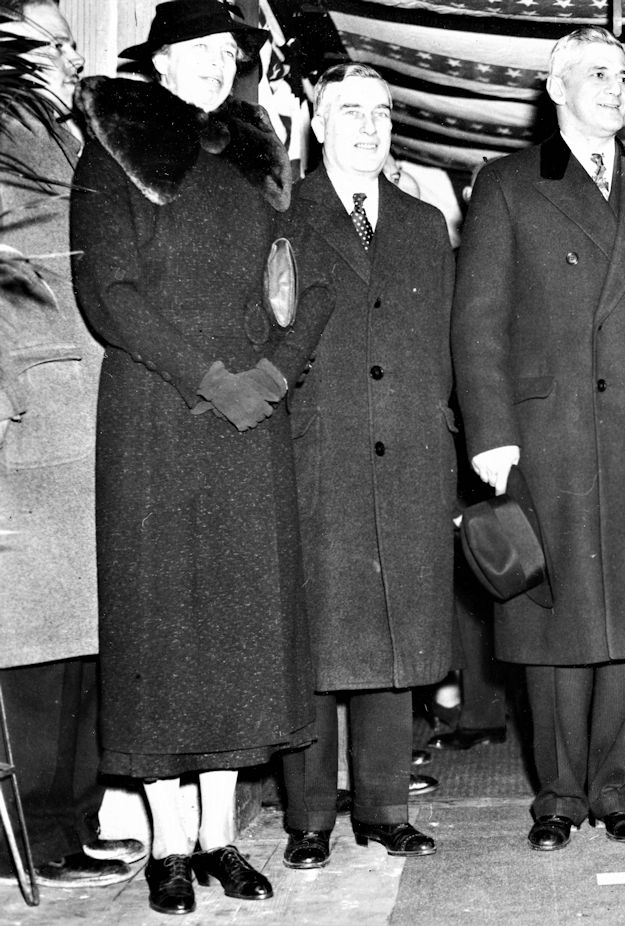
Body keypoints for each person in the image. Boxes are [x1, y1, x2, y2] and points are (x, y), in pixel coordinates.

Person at [70, 0, 332, 915]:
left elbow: (303, 284)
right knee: (165, 631)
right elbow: (108, 292)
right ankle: (168, 848)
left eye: (232, 52)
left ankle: (220, 839)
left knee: (237, 629)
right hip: (158, 416)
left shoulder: (260, 161)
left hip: (249, 418)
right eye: (200, 50)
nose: (219, 65)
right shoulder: (115, 149)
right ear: (163, 61)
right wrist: (208, 377)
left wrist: (271, 374)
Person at [452, 26, 625, 852]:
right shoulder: (509, 184)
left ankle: (618, 789)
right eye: (594, 72)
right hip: (544, 432)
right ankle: (557, 793)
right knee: (553, 620)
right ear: (554, 89)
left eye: (622, 74)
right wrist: (490, 433)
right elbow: (477, 322)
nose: (613, 85)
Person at [276, 62, 455, 869]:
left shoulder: (423, 224)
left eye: (381, 111)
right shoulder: (281, 217)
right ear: (317, 122)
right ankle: (309, 816)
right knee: (313, 643)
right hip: (317, 456)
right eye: (350, 110)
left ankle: (384, 808)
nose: (368, 125)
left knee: (395, 637)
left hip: (410, 460)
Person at [0, 0, 144, 889]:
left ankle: (79, 820)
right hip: (30, 419)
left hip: (90, 410)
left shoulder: (73, 125)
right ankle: (36, 834)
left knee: (89, 635)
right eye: (47, 39)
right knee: (35, 639)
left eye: (67, 37)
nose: (67, 51)